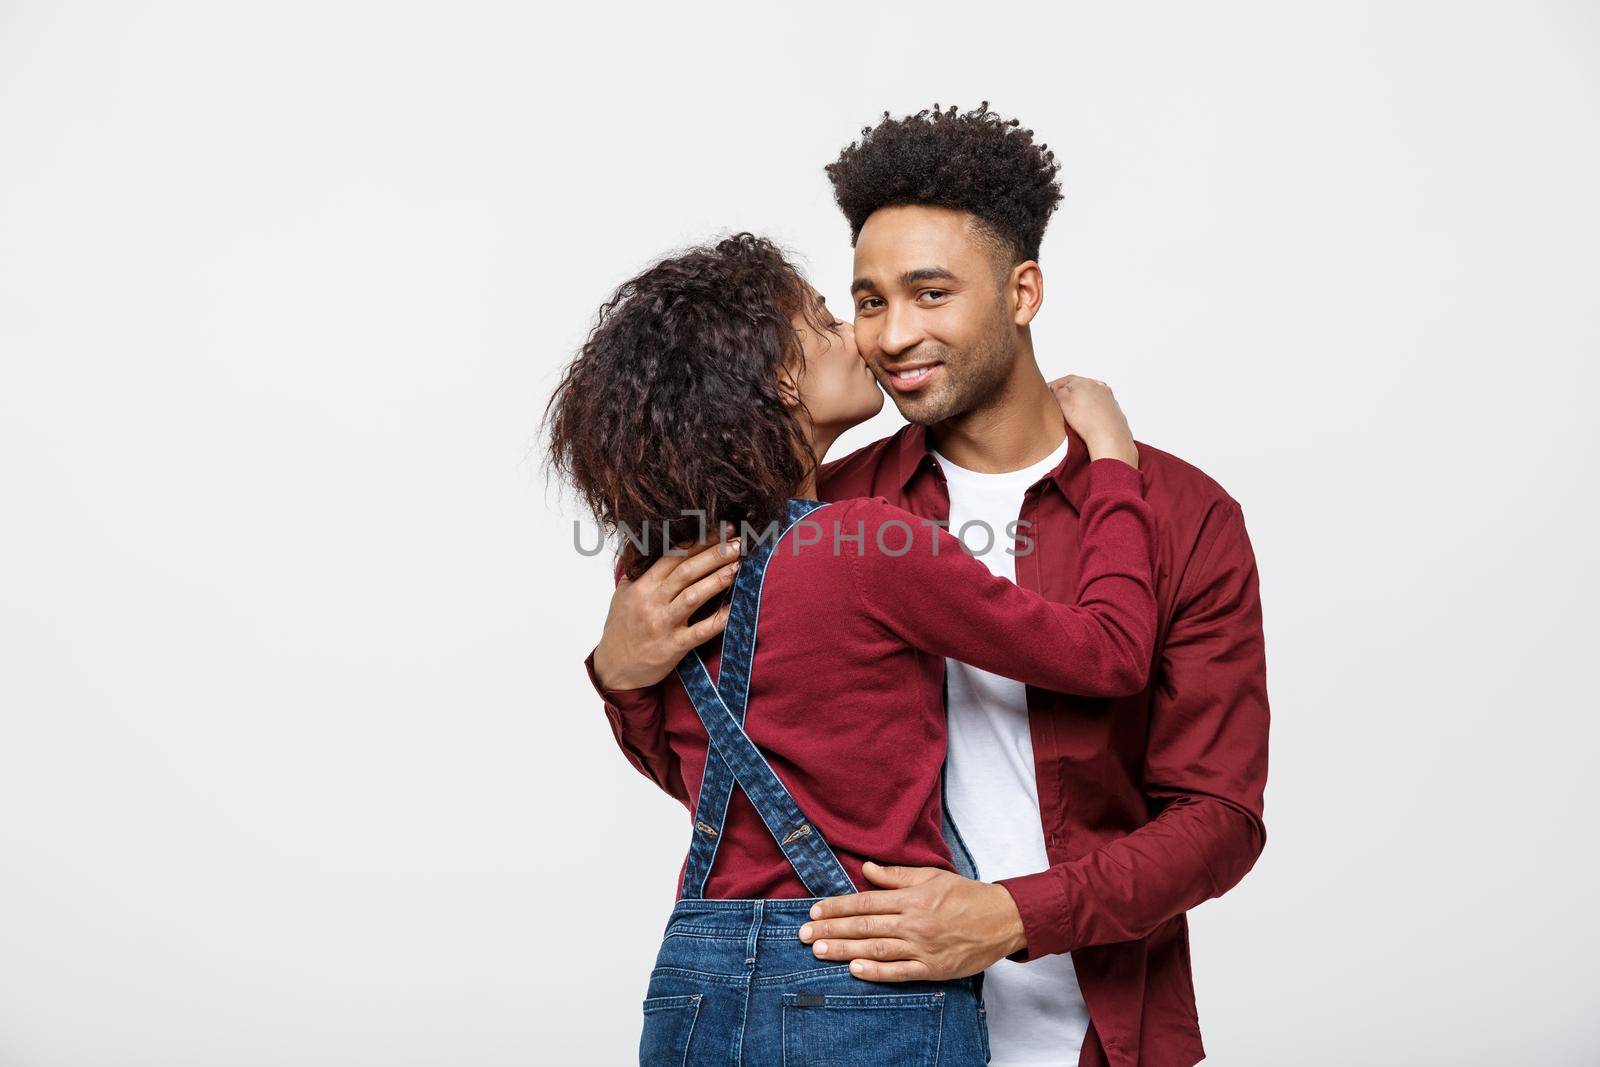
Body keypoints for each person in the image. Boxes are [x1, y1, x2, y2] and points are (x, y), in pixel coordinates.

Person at [587, 104, 1270, 1067]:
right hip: (858, 1004)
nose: (891, 334)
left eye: (930, 293)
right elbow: (738, 773)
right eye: (865, 301)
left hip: (1094, 1030)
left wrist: (1006, 916)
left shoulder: (1184, 513)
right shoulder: (833, 509)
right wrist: (621, 670)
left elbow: (1219, 818)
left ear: (1023, 291)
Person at [546, 232, 1158, 1065]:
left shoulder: (652, 567)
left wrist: (615, 675)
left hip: (695, 976)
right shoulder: (871, 548)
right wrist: (1115, 466)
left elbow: (698, 770)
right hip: (862, 975)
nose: (862, 336)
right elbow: (1113, 653)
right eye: (828, 320)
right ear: (780, 378)